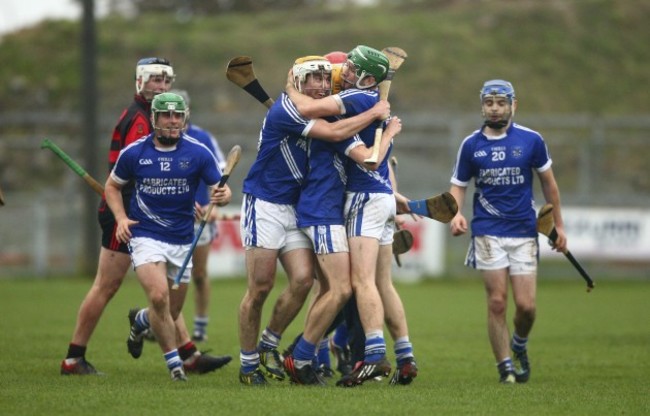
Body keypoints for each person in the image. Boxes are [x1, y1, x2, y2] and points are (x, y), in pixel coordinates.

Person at [60, 57, 229, 376]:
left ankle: (186, 353)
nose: (162, 86)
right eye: (155, 80)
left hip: (147, 215)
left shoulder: (145, 113)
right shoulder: (142, 120)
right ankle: (73, 357)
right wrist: (125, 212)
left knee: (162, 293)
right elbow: (141, 170)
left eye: (166, 81)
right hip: (128, 216)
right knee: (107, 286)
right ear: (140, 82)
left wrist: (181, 201)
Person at [238, 55, 391, 385]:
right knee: (260, 286)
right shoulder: (288, 108)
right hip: (264, 201)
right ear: (297, 81)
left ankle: (270, 344)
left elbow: (350, 144)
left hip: (296, 207)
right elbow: (336, 133)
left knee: (304, 280)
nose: (321, 85)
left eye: (325, 79)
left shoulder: (316, 106)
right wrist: (376, 114)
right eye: (313, 79)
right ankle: (249, 365)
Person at [284, 45, 418, 387]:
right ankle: (404, 356)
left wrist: (288, 88)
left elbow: (368, 158)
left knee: (358, 283)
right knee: (381, 283)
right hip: (382, 196)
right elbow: (380, 161)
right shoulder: (371, 103)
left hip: (363, 198)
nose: (343, 71)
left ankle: (372, 355)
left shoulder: (357, 98)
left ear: (368, 77)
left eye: (351, 67)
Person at [105, 92, 233, 381]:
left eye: (178, 115)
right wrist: (121, 218)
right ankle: (175, 364)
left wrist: (223, 196)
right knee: (159, 297)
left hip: (181, 238)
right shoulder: (135, 153)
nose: (173, 121)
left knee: (171, 310)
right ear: (155, 119)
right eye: (166, 115)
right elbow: (112, 187)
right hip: (145, 234)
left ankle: (140, 321)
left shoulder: (198, 152)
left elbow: (221, 191)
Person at [448, 79, 567, 384]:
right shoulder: (471, 145)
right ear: (482, 106)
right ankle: (505, 368)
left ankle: (519, 345)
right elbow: (458, 187)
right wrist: (456, 213)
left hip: (524, 231)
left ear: (514, 105)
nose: (495, 109)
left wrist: (559, 226)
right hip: (487, 230)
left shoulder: (531, 141)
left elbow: (549, 185)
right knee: (497, 302)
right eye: (489, 103)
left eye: (501, 103)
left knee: (526, 308)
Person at [171, 89, 227, 343]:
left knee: (199, 274)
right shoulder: (155, 141)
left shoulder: (203, 138)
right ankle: (164, 321)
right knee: (168, 276)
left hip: (200, 218)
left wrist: (213, 205)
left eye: (178, 112)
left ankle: (200, 326)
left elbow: (219, 178)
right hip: (170, 218)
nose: (172, 118)